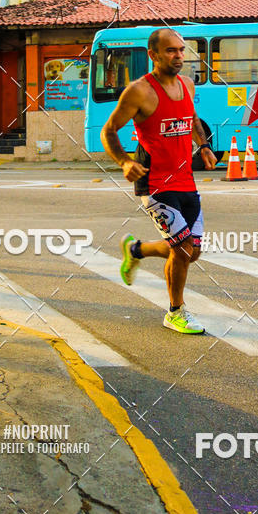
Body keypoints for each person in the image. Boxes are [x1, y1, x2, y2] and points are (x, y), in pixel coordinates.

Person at [101, 28, 217, 334]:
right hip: (154, 184)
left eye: (181, 50)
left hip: (185, 180)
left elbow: (191, 120)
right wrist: (125, 161)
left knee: (192, 251)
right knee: (182, 250)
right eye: (170, 51)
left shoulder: (188, 85)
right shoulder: (139, 91)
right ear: (152, 55)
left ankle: (136, 250)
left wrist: (203, 146)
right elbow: (109, 130)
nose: (178, 56)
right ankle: (176, 311)